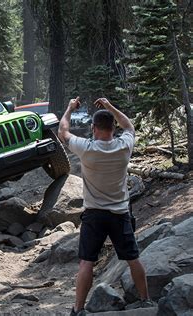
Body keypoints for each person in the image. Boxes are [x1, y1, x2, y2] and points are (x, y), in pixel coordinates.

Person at [58, 97, 153, 316]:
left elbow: (63, 131)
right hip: (120, 213)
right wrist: (110, 106)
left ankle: (78, 310)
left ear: (93, 128)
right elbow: (129, 126)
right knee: (132, 257)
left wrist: (69, 108)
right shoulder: (124, 146)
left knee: (86, 262)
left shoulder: (87, 149)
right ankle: (145, 300)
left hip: (94, 215)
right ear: (113, 128)